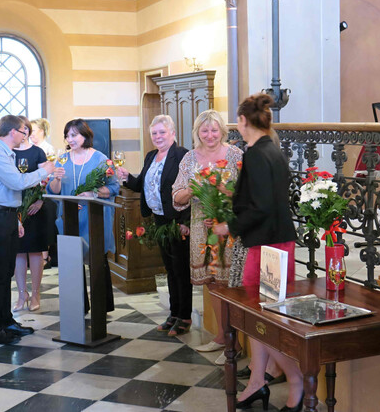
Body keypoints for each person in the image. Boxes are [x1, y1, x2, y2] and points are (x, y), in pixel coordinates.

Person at [212, 93, 303, 412]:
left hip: (269, 246)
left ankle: (297, 379)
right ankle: (256, 381)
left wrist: (230, 226)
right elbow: (265, 198)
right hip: (273, 242)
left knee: (264, 319)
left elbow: (262, 206)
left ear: (242, 121)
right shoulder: (271, 150)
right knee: (258, 319)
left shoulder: (256, 154)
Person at [171, 110, 243, 361]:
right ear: (197, 132)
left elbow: (247, 194)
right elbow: (177, 196)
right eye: (205, 130)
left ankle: (235, 342)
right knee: (212, 283)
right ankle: (223, 336)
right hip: (202, 227)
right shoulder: (189, 158)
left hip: (229, 228)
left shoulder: (236, 155)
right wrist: (192, 189)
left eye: (214, 130)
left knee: (230, 283)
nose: (210, 135)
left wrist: (225, 197)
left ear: (222, 131)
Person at [0, 115, 55, 344]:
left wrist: (16, 220)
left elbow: (8, 191)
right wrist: (45, 171)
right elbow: (17, 183)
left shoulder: (7, 153)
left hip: (6, 215)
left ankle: (6, 321)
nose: (25, 135)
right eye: (23, 131)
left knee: (6, 272)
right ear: (12, 132)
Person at [116, 115, 192, 336]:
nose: (158, 137)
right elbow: (140, 184)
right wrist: (126, 177)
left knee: (181, 270)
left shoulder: (182, 155)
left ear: (172, 133)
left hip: (177, 220)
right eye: (154, 133)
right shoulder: (151, 156)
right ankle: (174, 314)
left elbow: (190, 189)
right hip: (159, 220)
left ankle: (185, 316)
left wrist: (185, 222)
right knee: (169, 269)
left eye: (162, 132)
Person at [47, 119, 118, 312]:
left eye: (74, 135)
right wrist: (56, 179)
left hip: (95, 218)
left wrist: (93, 193)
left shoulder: (101, 159)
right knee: (73, 262)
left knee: (98, 262)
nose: (70, 139)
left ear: (85, 135)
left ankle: (102, 307)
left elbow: (113, 187)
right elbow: (52, 191)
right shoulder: (62, 159)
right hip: (69, 219)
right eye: (67, 136)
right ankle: (78, 307)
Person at [13, 116, 49, 312]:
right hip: (14, 207)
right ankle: (22, 294)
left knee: (35, 251)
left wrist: (40, 200)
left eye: (26, 128)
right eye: (20, 129)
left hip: (34, 208)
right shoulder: (8, 152)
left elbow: (45, 180)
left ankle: (35, 293)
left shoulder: (37, 152)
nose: (24, 132)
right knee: (18, 252)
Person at [31, 118, 56, 269]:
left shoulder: (47, 149)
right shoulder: (30, 148)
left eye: (33, 131)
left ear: (41, 131)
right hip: (32, 189)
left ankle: (45, 256)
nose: (31, 134)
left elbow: (49, 173)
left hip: (44, 191)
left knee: (44, 223)